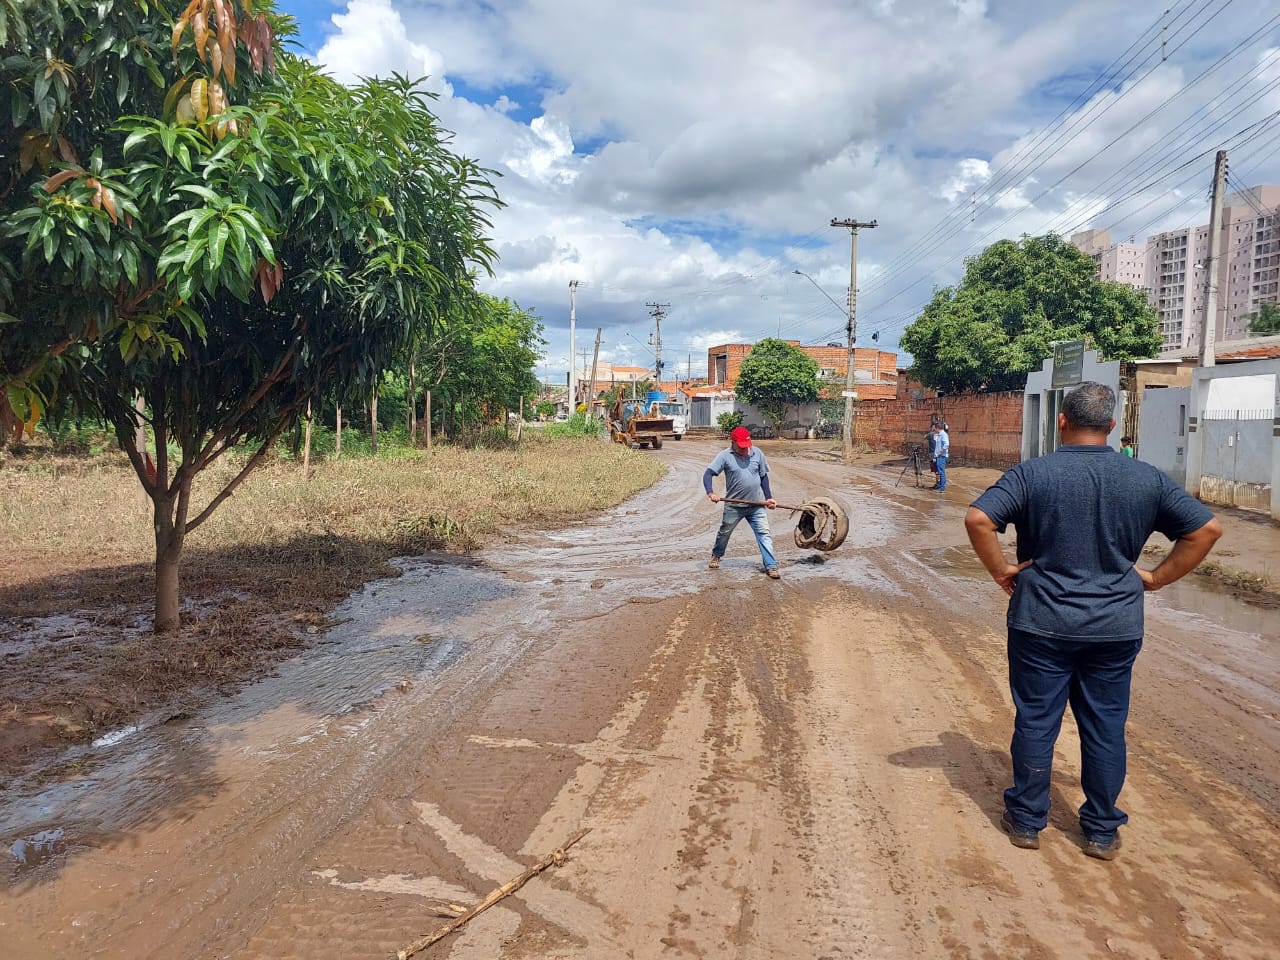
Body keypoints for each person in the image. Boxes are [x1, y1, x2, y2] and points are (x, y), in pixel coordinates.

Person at [964, 382, 1221, 861]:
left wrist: (1002, 571)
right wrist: (1156, 578)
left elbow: (979, 519)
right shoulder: (1146, 479)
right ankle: (1101, 830)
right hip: (1115, 625)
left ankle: (1025, 821)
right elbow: (1206, 529)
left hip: (1041, 620)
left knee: (1037, 720)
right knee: (1105, 725)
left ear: (1061, 421)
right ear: (1113, 426)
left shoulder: (1031, 475)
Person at [704, 426, 780, 579]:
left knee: (764, 533)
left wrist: (768, 497)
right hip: (734, 506)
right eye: (741, 447)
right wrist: (711, 493)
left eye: (747, 446)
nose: (745, 450)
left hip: (756, 506)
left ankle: (771, 566)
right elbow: (708, 474)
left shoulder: (757, 453)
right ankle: (716, 554)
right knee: (724, 533)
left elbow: (763, 476)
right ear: (733, 443)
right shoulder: (725, 456)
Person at [930, 422, 950, 491]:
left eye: (935, 428)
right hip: (938, 456)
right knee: (939, 471)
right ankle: (939, 485)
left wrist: (941, 452)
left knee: (941, 472)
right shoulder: (939, 434)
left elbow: (946, 444)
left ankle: (942, 487)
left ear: (938, 428)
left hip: (942, 456)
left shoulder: (943, 435)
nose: (934, 429)